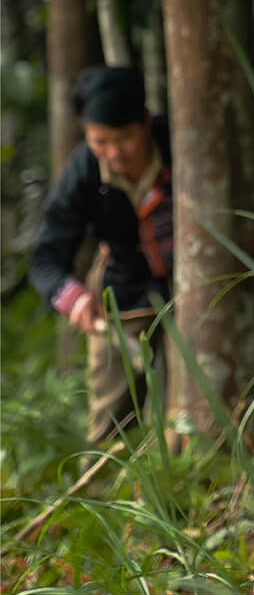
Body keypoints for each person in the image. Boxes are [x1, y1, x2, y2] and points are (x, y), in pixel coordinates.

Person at [30, 65, 173, 444]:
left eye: (125, 138)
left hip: (197, 289)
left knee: (194, 414)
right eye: (100, 142)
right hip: (123, 294)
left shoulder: (180, 144)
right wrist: (71, 298)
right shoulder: (82, 172)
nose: (113, 154)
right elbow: (45, 260)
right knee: (111, 430)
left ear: (144, 122)